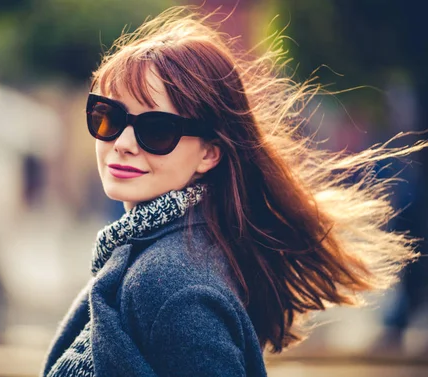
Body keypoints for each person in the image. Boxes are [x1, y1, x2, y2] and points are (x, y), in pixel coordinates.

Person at [41, 7, 425, 377]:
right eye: (108, 116)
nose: (122, 143)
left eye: (157, 129)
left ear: (209, 153)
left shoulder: (172, 285)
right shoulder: (172, 254)